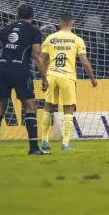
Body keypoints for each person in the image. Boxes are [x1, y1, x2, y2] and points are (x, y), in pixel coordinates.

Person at [0, 5, 49, 156]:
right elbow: (37, 55)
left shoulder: (5, 29)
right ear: (32, 16)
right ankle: (33, 148)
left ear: (17, 15)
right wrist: (44, 77)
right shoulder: (34, 31)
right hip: (20, 70)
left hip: (2, 68)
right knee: (30, 106)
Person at [39, 13, 97, 151]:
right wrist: (92, 78)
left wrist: (44, 76)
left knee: (48, 107)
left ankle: (44, 141)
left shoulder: (50, 38)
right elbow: (84, 62)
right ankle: (65, 144)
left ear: (59, 23)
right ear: (73, 23)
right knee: (68, 108)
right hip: (68, 76)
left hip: (51, 74)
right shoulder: (77, 40)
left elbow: (41, 58)